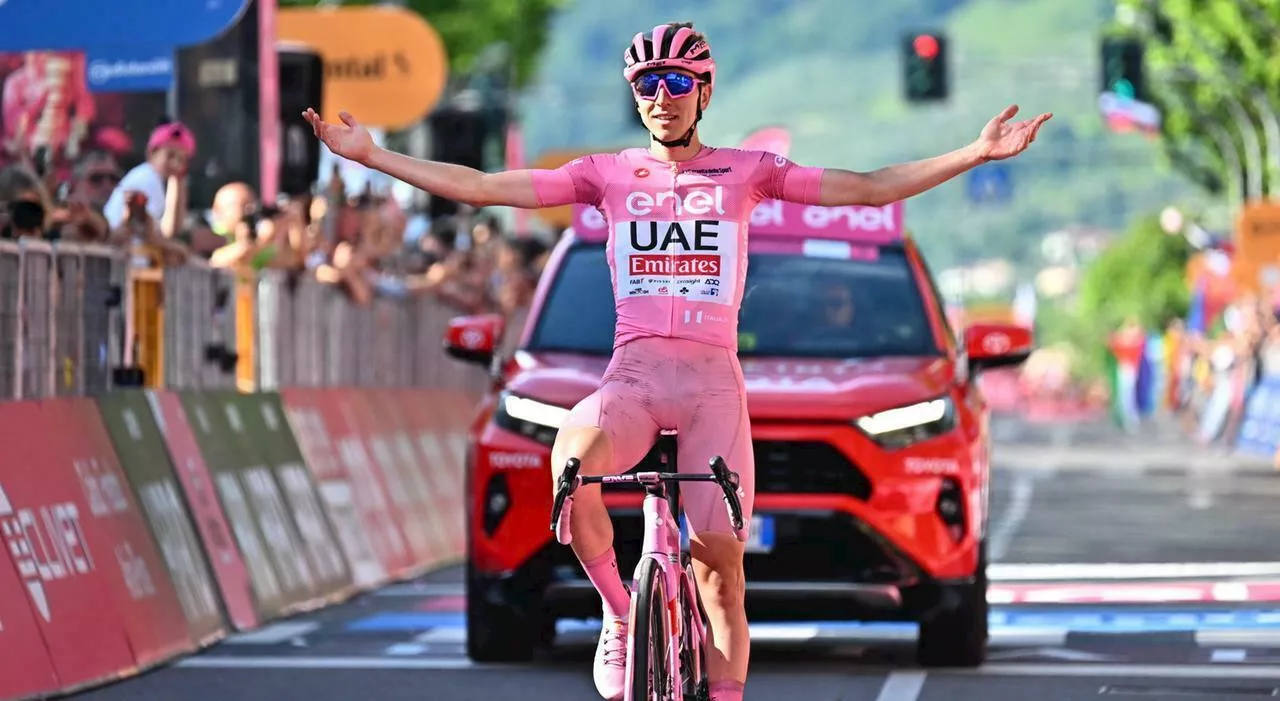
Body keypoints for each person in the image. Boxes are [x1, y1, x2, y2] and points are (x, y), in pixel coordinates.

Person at [304, 21, 1050, 701]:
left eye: (677, 83)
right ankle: (620, 614)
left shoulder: (749, 173)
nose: (662, 98)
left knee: (719, 569)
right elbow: (487, 188)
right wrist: (374, 156)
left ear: (704, 92)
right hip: (630, 380)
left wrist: (975, 153)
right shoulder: (605, 174)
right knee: (570, 468)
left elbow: (866, 186)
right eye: (646, 85)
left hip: (710, 389)